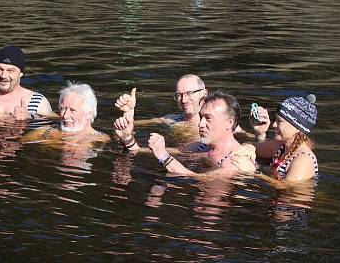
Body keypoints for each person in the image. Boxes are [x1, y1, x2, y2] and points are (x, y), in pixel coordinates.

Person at [119, 90, 256, 178]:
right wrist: (128, 138)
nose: (200, 124)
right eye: (201, 117)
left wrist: (164, 157)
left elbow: (199, 178)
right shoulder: (203, 146)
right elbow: (175, 151)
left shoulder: (236, 161)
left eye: (208, 118)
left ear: (229, 122)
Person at [114, 74, 208, 141]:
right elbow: (126, 128)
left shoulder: (212, 128)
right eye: (179, 95)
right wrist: (129, 112)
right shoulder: (171, 119)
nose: (183, 100)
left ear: (204, 93)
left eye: (189, 93)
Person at [251, 94, 319, 183]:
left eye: (279, 121)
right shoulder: (279, 147)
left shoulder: (304, 160)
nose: (274, 125)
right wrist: (260, 134)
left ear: (298, 127)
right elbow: (250, 147)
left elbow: (286, 186)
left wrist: (251, 173)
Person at [22, 82, 110, 144]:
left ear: (89, 114)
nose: (65, 116)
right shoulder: (45, 131)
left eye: (72, 110)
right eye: (63, 108)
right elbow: (20, 144)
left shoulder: (100, 138)